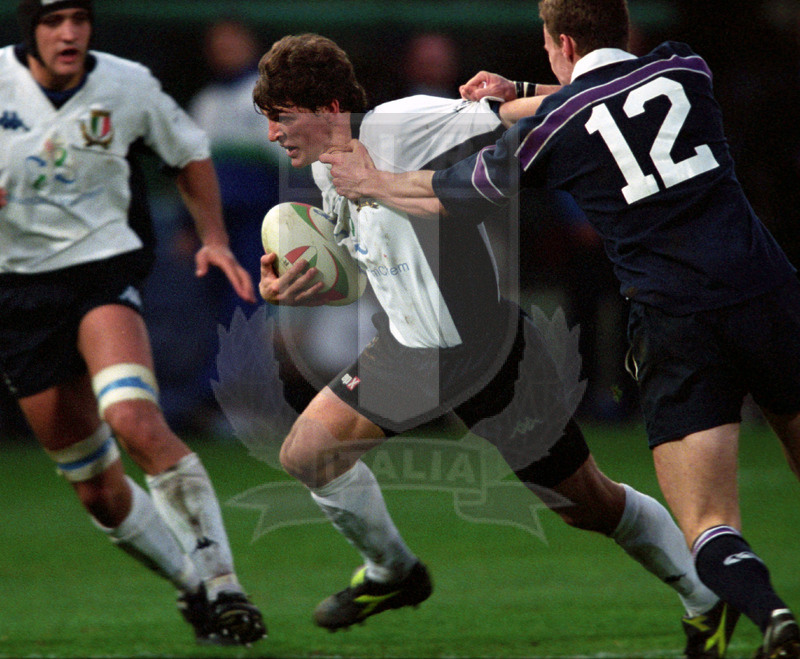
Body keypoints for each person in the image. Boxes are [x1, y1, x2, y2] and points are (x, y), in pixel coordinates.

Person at [320, 1, 800, 657]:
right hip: (770, 294)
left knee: (710, 521)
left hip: (677, 321)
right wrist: (518, 92)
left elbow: (454, 189)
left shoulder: (556, 127)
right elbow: (609, 98)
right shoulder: (687, 67)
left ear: (562, 41)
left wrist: (376, 179)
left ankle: (771, 612)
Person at [0, 0, 265, 646]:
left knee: (135, 418)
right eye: (52, 20)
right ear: (28, 28)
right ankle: (192, 585)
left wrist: (213, 237)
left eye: (79, 18)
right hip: (16, 295)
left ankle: (226, 582)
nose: (69, 33)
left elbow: (190, 152)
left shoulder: (127, 84)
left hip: (99, 274)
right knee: (97, 492)